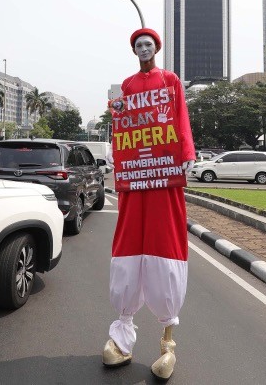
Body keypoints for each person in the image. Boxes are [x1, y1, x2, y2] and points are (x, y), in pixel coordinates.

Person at [102, 27, 195, 380]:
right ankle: (121, 335)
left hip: (164, 174)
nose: (143, 49)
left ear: (156, 48)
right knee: (128, 242)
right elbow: (122, 124)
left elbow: (180, 117)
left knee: (164, 241)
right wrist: (116, 153)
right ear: (134, 51)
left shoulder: (171, 80)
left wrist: (186, 152)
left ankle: (168, 342)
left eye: (148, 45)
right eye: (138, 46)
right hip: (135, 177)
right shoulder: (126, 86)